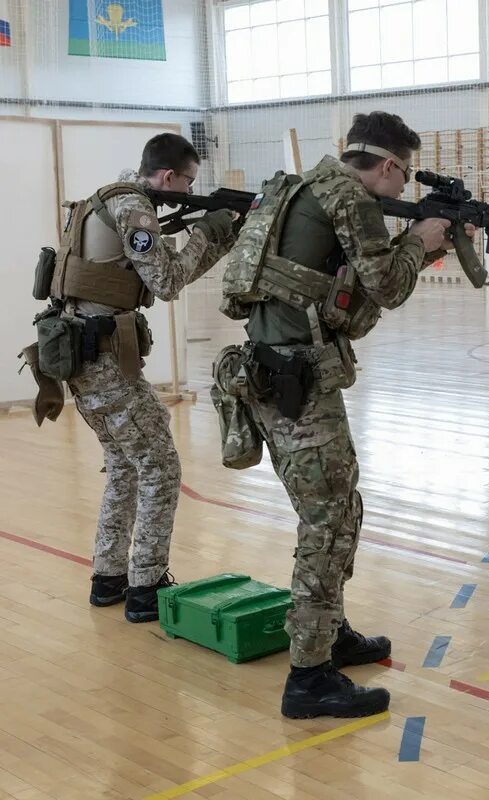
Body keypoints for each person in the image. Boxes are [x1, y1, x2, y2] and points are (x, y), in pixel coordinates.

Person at [217, 111, 456, 719]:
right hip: (299, 383)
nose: (401, 191)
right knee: (327, 523)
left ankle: (329, 632)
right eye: (401, 178)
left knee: (336, 510)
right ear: (389, 165)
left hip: (268, 371)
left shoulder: (299, 186)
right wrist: (423, 242)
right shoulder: (352, 200)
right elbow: (387, 286)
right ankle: (309, 678)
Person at [38, 133, 237, 621]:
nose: (189, 190)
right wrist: (211, 235)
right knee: (160, 467)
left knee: (126, 466)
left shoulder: (99, 200)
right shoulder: (133, 208)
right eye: (188, 181)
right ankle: (146, 586)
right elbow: (166, 281)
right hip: (104, 360)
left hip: (79, 357)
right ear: (168, 176)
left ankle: (109, 579)